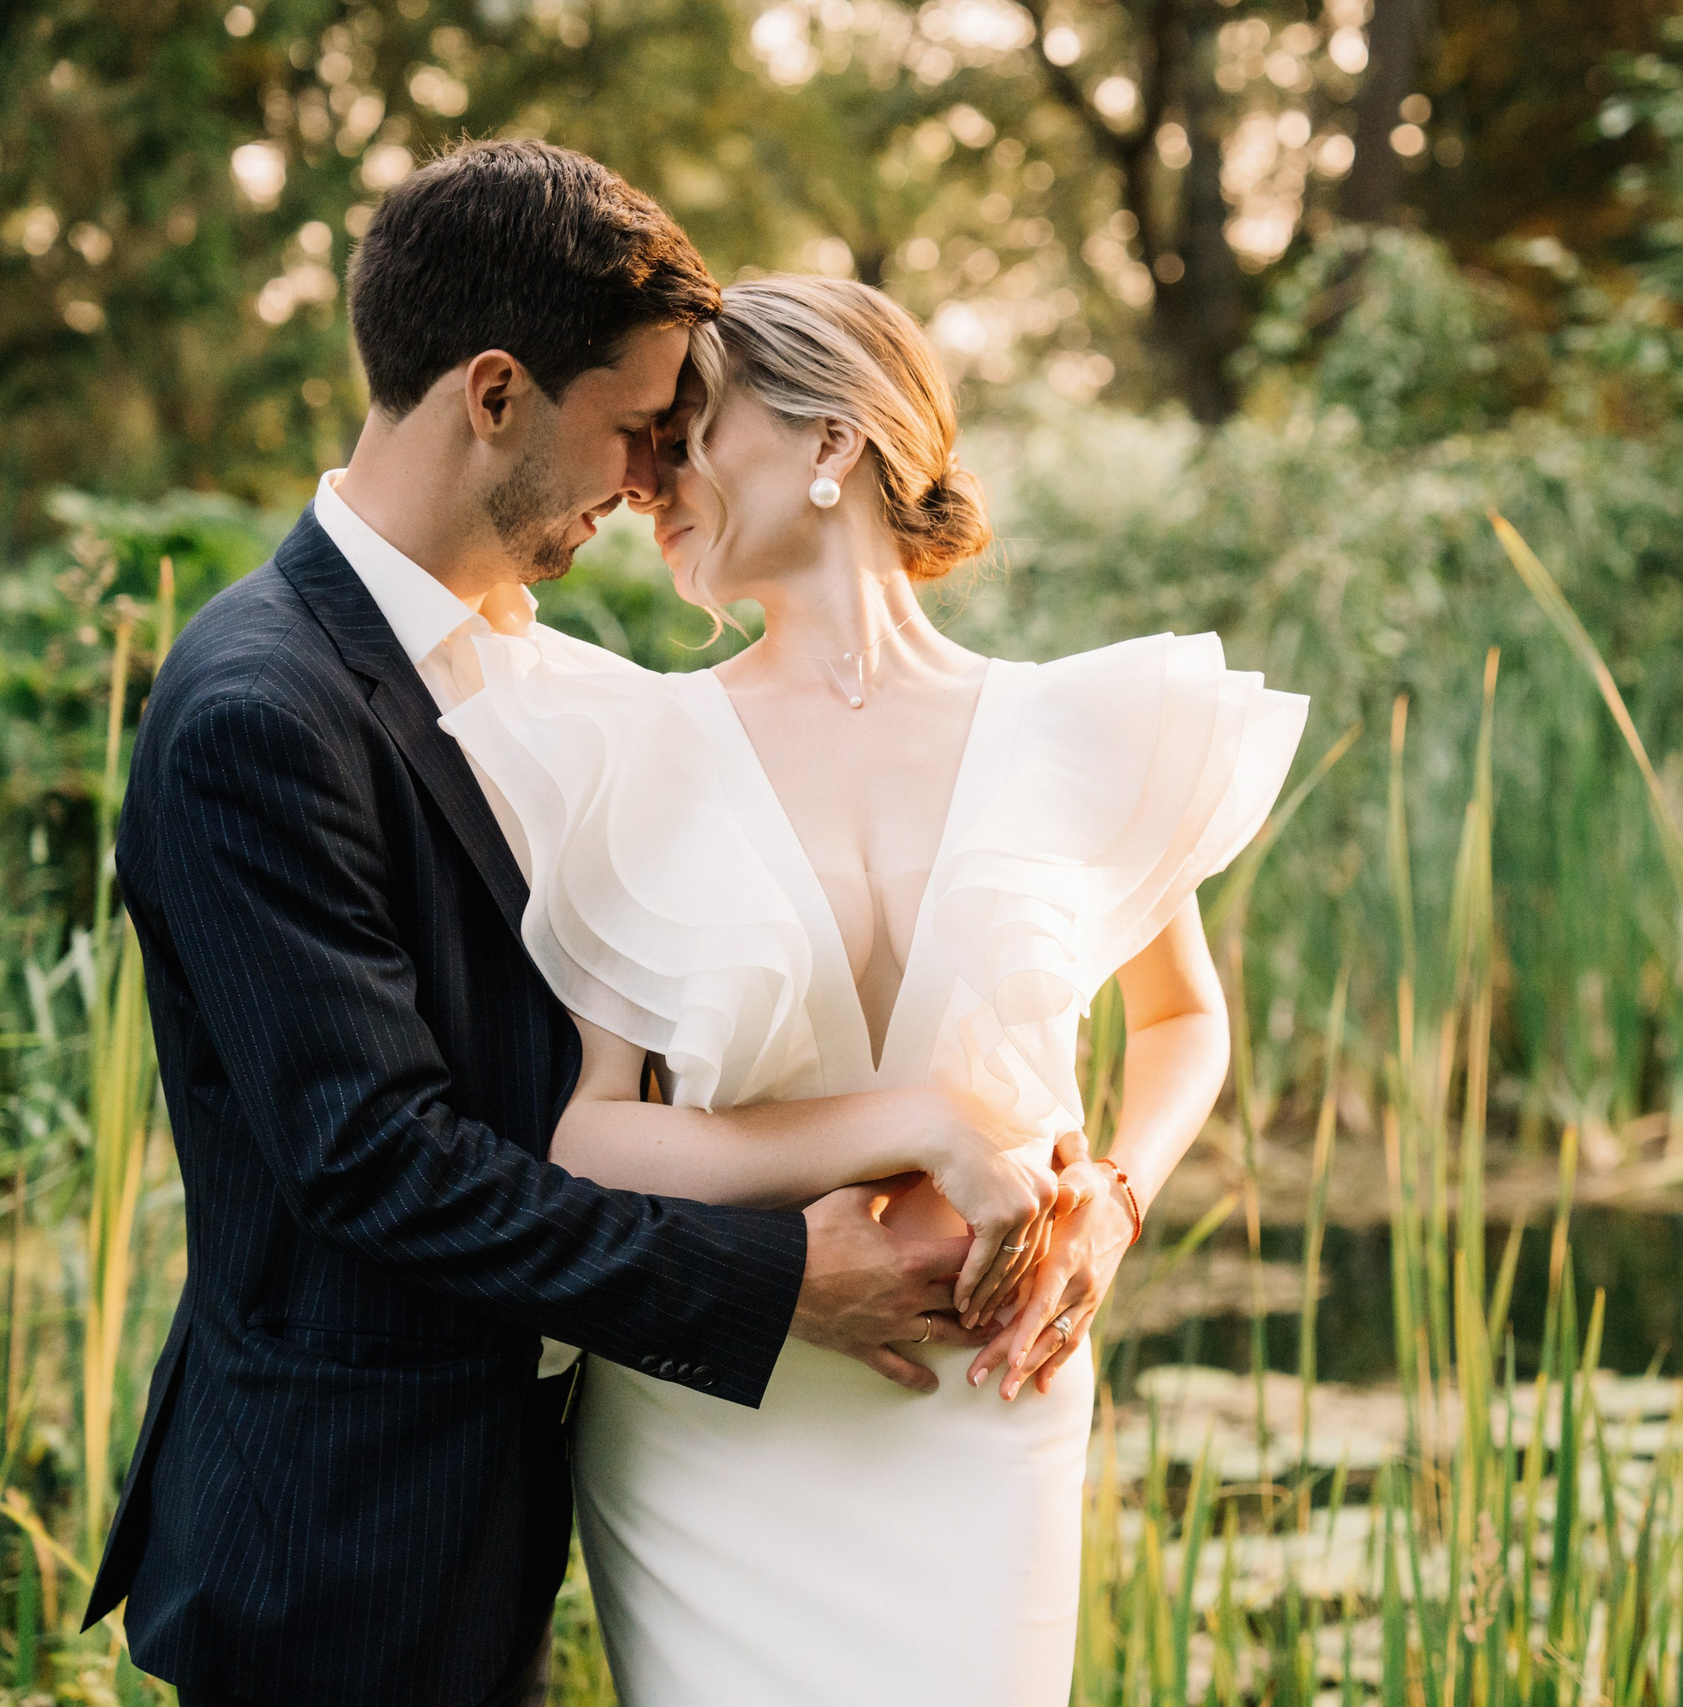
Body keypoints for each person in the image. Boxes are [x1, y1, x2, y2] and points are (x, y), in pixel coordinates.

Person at [83, 141, 1059, 1707]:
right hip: (339, 1532)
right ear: (492, 397)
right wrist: (773, 1279)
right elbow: (377, 1162)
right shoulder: (259, 711)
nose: (650, 479)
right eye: (630, 429)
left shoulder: (546, 681)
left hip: (515, 1495)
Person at [438, 273, 1308, 1702]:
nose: (651, 479)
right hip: (722, 1414)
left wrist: (1121, 1198)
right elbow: (594, 1136)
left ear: (832, 439)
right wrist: (918, 1120)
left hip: (991, 1398)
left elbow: (1182, 1019)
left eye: (692, 427)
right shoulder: (629, 747)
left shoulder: (1082, 729)